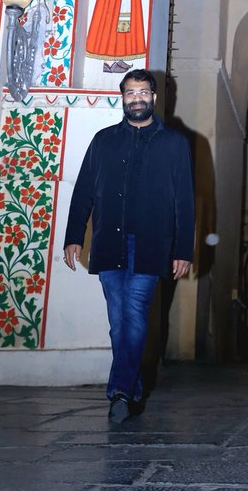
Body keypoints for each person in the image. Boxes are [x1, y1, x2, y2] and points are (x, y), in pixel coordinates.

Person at [63, 69, 194, 423]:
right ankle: (133, 390)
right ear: (123, 98)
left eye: (143, 92)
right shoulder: (103, 140)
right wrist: (73, 236)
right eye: (130, 92)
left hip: (151, 245)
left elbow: (185, 200)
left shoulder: (174, 143)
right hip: (110, 243)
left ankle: (118, 391)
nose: (137, 98)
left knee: (134, 313)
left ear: (154, 97)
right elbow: (84, 191)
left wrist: (183, 250)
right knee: (118, 322)